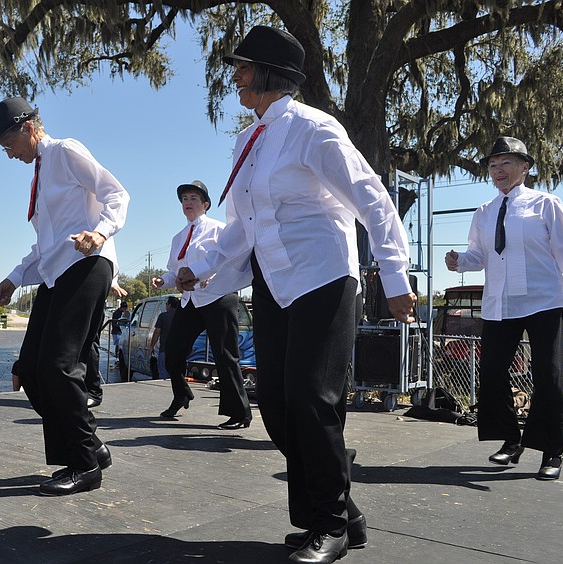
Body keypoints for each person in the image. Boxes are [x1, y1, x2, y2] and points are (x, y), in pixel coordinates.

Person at [176, 27, 415, 563]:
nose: (235, 78)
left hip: (322, 277)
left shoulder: (314, 128)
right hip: (273, 282)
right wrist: (201, 267)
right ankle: (342, 513)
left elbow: (373, 199)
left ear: (268, 73)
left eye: (242, 68)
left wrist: (396, 277)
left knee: (313, 399)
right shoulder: (248, 141)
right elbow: (242, 225)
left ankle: (329, 523)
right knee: (279, 406)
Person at [0, 96, 129, 496]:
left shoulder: (65, 151)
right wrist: (14, 278)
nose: (9, 154)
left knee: (59, 365)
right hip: (56, 272)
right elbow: (46, 245)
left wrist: (100, 232)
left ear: (29, 128)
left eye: (9, 144)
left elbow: (117, 194)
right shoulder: (40, 172)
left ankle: (84, 465)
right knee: (30, 369)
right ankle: (90, 444)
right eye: (3, 148)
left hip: (87, 264)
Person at [445, 136, 563, 481]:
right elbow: (478, 255)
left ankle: (552, 451)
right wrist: (458, 261)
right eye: (493, 165)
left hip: (542, 301)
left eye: (506, 163)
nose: (498, 170)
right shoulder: (484, 212)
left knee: (549, 377)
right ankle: (512, 440)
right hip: (500, 303)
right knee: (491, 373)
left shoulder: (546, 204)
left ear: (525, 167)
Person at [152, 181, 252, 428]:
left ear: (205, 204)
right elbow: (174, 272)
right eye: (184, 198)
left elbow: (230, 259)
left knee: (225, 355)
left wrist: (212, 277)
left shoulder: (220, 229)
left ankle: (240, 413)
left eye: (194, 198)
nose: (188, 202)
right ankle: (181, 394)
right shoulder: (178, 238)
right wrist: (162, 281)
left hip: (218, 296)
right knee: (172, 352)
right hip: (191, 300)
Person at [148, 296, 179, 381]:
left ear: (169, 305)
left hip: (164, 350)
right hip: (179, 352)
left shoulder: (163, 316)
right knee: (177, 375)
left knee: (163, 373)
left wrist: (151, 346)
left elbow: (157, 332)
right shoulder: (182, 317)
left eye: (166, 304)